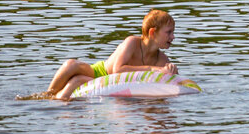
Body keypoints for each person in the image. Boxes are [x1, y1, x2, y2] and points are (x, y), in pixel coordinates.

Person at [41, 9, 178, 101]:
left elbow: (167, 84)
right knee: (71, 64)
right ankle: (48, 96)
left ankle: (56, 104)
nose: (173, 37)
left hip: (113, 85)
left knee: (76, 81)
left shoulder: (162, 60)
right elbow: (117, 70)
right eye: (169, 32)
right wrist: (153, 69)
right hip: (101, 72)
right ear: (153, 32)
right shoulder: (132, 42)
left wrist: (171, 72)